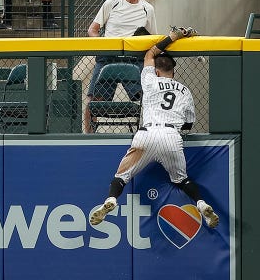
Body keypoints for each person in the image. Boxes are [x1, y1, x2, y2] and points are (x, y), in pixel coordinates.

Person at [89, 27, 219, 229]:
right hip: (171, 135)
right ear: (173, 72)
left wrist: (173, 37)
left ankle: (112, 200)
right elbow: (189, 124)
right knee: (182, 180)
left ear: (157, 70)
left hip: (146, 134)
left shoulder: (149, 80)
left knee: (121, 178)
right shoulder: (185, 91)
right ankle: (201, 204)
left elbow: (150, 53)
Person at [84, 0, 157, 133]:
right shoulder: (111, 3)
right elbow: (93, 29)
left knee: (149, 97)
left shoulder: (148, 9)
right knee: (92, 101)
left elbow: (152, 37)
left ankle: (150, 134)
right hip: (108, 57)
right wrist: (104, 45)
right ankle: (89, 138)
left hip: (134, 57)